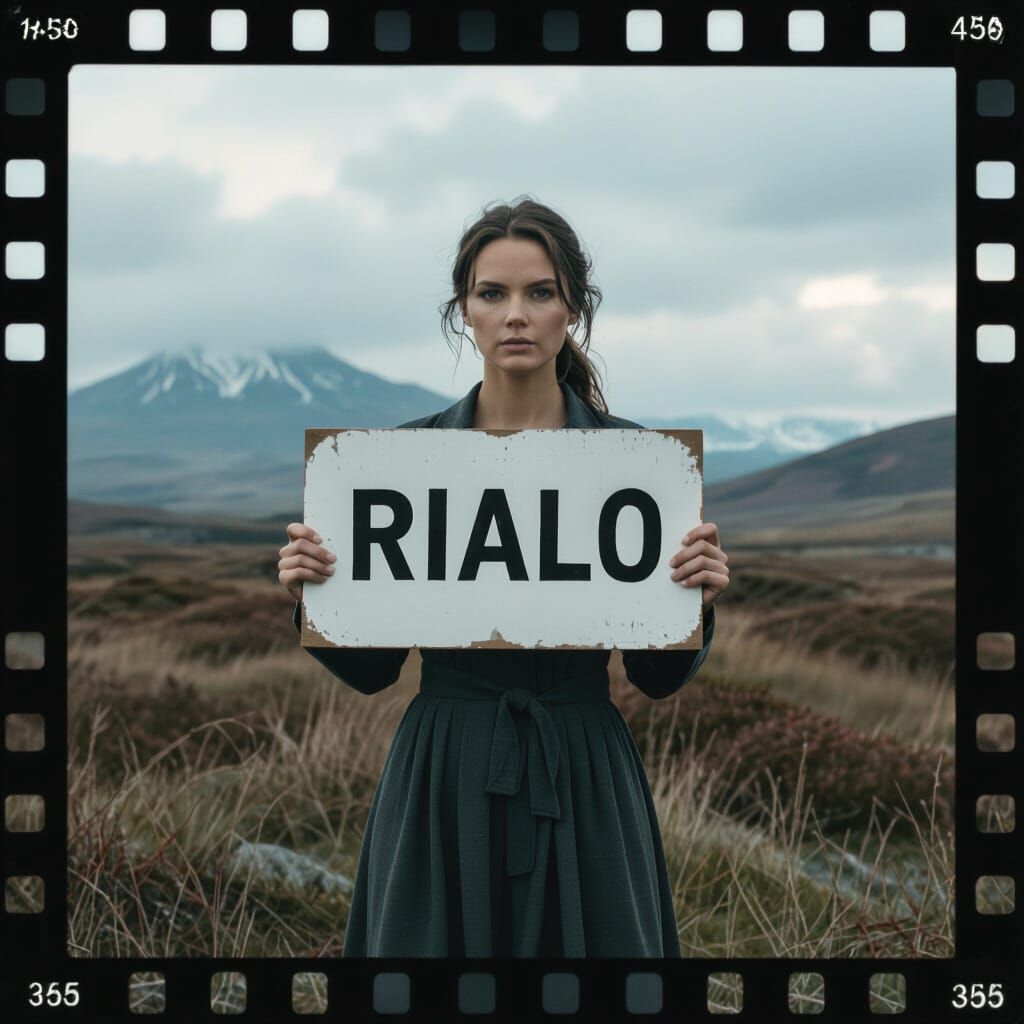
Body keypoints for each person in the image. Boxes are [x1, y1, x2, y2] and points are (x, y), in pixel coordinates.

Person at [277, 196, 731, 957]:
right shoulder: (397, 462)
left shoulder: (641, 464)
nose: (515, 314)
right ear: (465, 312)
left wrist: (697, 600)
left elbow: (657, 677)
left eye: (540, 293)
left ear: (572, 312)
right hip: (442, 769)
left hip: (584, 770)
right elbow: (371, 672)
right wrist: (312, 596)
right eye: (493, 294)